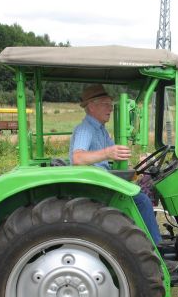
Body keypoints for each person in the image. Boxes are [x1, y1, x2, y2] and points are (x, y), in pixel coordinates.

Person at [69, 84, 162, 246]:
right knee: (142, 201)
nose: (110, 109)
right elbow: (77, 158)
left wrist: (138, 160)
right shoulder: (86, 129)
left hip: (102, 181)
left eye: (111, 105)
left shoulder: (101, 130)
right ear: (91, 106)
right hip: (95, 187)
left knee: (143, 192)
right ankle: (156, 249)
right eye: (105, 104)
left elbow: (114, 153)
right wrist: (107, 153)